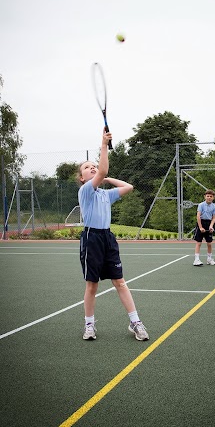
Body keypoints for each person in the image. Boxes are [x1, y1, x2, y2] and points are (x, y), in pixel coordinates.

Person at [77, 129, 149, 341]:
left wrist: (107, 179)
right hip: (91, 239)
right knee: (92, 285)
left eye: (93, 166)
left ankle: (135, 322)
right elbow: (102, 170)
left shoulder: (105, 195)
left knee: (120, 282)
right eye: (87, 168)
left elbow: (129, 187)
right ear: (82, 179)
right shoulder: (86, 192)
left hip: (108, 238)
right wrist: (103, 144)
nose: (92, 168)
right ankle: (89, 325)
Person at [193, 189, 215, 266]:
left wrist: (211, 226)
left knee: (209, 243)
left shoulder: (214, 206)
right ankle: (196, 260)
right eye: (207, 196)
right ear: (205, 197)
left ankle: (209, 259)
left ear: (213, 197)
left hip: (209, 223)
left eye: (211, 196)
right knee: (198, 243)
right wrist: (200, 227)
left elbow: (213, 218)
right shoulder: (201, 205)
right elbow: (198, 216)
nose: (209, 197)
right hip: (201, 223)